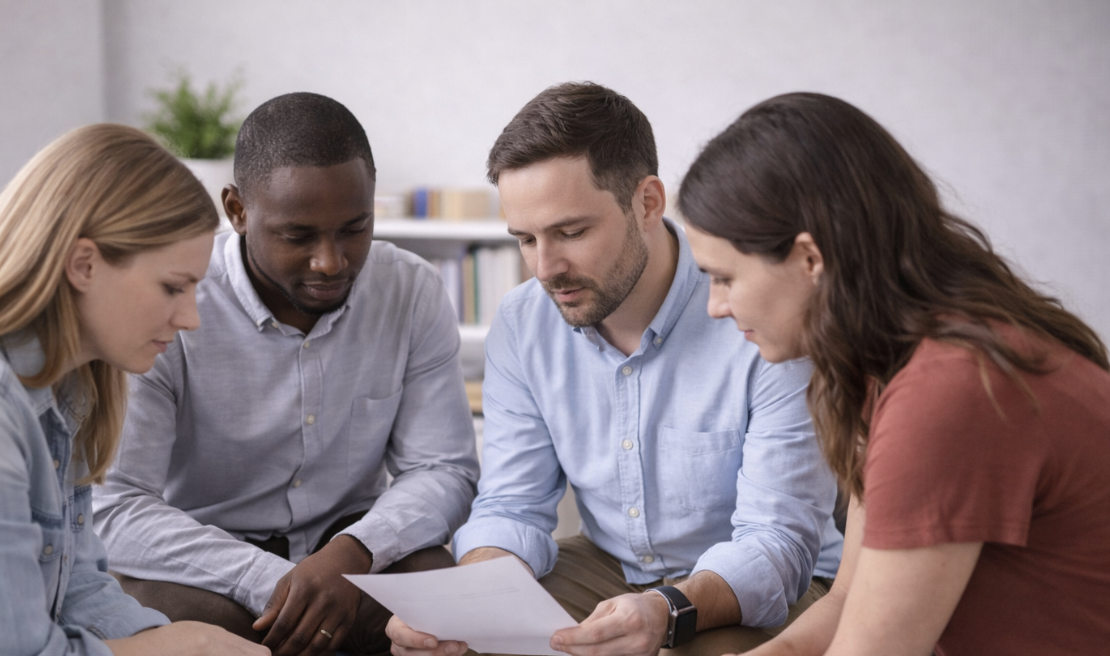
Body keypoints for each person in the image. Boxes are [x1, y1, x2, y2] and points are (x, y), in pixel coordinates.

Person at [388, 82, 843, 656]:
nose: (546, 269)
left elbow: (777, 543)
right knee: (462, 640)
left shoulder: (758, 312)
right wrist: (464, 602)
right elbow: (511, 505)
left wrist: (665, 608)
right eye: (525, 239)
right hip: (609, 570)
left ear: (647, 203)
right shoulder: (524, 320)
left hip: (765, 585)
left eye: (572, 232)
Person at [677, 92, 1110, 655]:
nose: (715, 306)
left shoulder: (948, 393)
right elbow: (845, 602)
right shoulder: (899, 362)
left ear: (811, 259)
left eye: (725, 278)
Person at [92, 92, 479, 656]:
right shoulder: (172, 299)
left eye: (355, 228)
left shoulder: (411, 290)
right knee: (198, 621)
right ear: (237, 210)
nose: (331, 261)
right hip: (204, 557)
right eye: (298, 236)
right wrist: (270, 578)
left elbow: (444, 468)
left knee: (436, 594)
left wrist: (351, 554)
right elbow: (118, 504)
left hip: (350, 546)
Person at [0, 124, 267, 656]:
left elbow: (78, 587)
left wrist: (166, 637)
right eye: (173, 287)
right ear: (84, 264)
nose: (191, 318)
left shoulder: (68, 388)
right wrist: (174, 647)